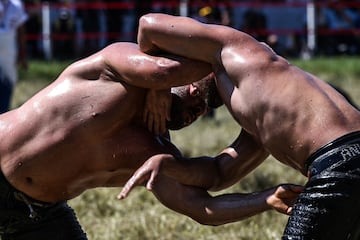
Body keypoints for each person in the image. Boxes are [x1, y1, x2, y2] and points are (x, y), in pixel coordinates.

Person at [0, 42, 301, 239]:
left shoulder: (156, 153)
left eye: (206, 107)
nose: (198, 107)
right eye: (200, 89)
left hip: (38, 215)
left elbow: (204, 206)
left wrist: (264, 196)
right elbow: (159, 68)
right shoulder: (114, 68)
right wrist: (161, 85)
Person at [119, 13, 360, 239]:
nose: (195, 97)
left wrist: (157, 85)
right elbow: (219, 174)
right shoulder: (258, 118)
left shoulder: (233, 49)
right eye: (195, 110)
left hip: (339, 162)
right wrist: (168, 165)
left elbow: (147, 25)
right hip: (341, 163)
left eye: (180, 88)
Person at [0, 0, 28, 113]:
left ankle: (3, 113)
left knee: (8, 80)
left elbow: (21, 31)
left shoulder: (16, 5)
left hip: (9, 49)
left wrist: (22, 54)